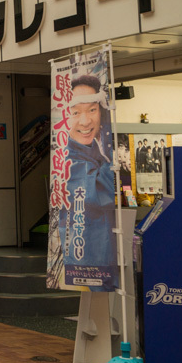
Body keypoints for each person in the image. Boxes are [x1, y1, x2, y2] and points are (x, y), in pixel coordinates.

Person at [62, 73, 116, 291]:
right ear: (66, 117)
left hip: (100, 259)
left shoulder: (94, 149)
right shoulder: (69, 160)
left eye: (92, 110)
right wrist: (109, 149)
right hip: (89, 261)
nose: (85, 121)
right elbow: (103, 192)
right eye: (76, 113)